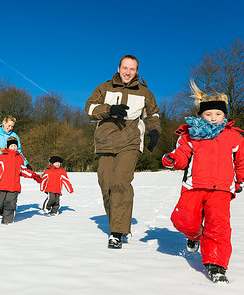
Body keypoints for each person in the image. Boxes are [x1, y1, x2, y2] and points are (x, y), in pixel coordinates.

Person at [162, 80, 244, 283]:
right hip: (194, 187)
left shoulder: (234, 137)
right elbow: (181, 155)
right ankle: (194, 234)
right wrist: (172, 160)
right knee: (184, 220)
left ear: (225, 114)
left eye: (218, 114)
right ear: (201, 115)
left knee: (218, 227)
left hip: (221, 190)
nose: (214, 118)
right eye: (208, 114)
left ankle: (216, 266)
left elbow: (241, 161)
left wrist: (240, 180)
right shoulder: (190, 135)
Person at [85, 54, 161, 249]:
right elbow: (89, 109)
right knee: (106, 184)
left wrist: (154, 131)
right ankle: (116, 223)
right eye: (125, 68)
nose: (128, 72)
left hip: (130, 141)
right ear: (118, 68)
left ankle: (117, 232)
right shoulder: (104, 87)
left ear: (136, 71)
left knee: (120, 181)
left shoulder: (145, 92)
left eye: (132, 69)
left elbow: (152, 114)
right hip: (106, 141)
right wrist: (110, 110)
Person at [0, 137, 41, 224]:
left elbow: (23, 170)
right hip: (2, 185)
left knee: (10, 205)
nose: (14, 147)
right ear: (8, 147)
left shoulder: (19, 158)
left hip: (14, 187)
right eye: (12, 145)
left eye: (15, 145)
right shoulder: (2, 157)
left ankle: (7, 223)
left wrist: (34, 176)